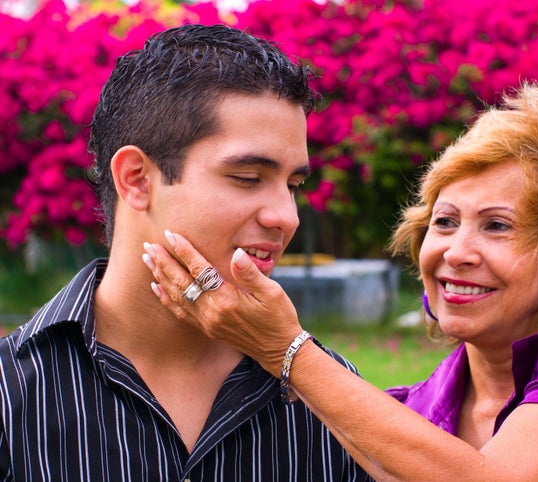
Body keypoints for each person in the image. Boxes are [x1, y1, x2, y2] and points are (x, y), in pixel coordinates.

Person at [144, 82, 538, 480]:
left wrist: (285, 349)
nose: (455, 252)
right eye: (443, 223)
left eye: (497, 226)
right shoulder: (418, 412)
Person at [0, 24, 370, 481]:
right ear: (137, 179)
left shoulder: (334, 396)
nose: (286, 217)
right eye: (248, 178)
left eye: (293, 185)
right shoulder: (10, 391)